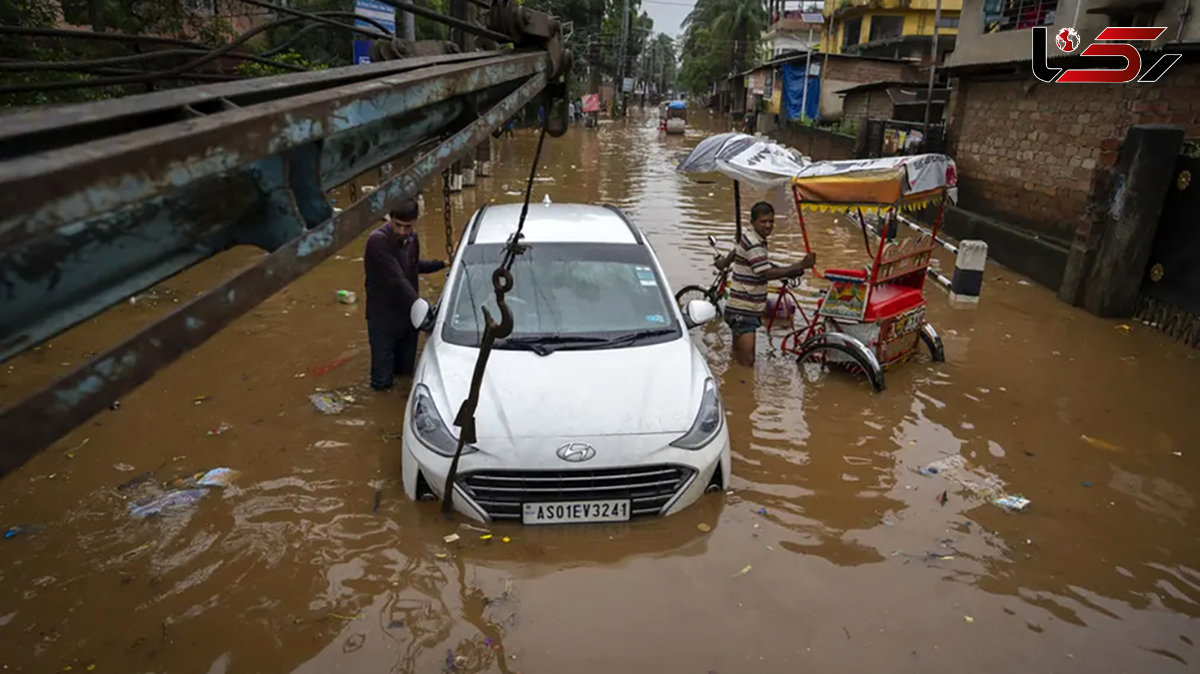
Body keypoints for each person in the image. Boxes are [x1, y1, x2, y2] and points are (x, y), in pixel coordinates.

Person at [715, 201, 816, 367]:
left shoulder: (753, 238)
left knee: (737, 360)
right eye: (763, 221)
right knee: (748, 363)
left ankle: (732, 388)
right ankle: (744, 391)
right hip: (744, 310)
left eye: (771, 221)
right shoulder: (754, 243)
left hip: (744, 308)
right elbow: (766, 273)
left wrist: (790, 270)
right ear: (753, 222)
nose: (768, 225)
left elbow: (746, 257)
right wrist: (800, 265)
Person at [363, 199, 447, 390]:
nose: (402, 231)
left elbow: (413, 266)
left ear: (415, 222)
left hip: (408, 318)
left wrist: (442, 264)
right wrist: (422, 308)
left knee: (405, 375)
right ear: (390, 218)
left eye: (407, 227)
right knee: (382, 382)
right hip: (383, 320)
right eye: (398, 225)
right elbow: (397, 279)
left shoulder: (412, 238)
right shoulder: (378, 241)